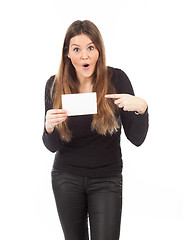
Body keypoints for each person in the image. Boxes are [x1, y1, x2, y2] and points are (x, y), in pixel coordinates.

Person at [42, 20, 149, 240]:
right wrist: (49, 127)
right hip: (66, 178)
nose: (84, 56)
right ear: (67, 54)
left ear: (99, 50)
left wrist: (141, 108)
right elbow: (52, 146)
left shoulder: (116, 79)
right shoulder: (55, 84)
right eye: (76, 49)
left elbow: (136, 139)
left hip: (106, 179)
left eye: (91, 47)